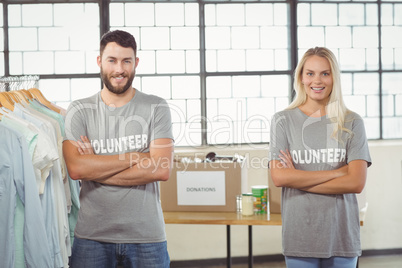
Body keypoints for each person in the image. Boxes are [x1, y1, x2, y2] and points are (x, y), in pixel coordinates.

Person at [63, 30, 174, 268]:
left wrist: (95, 165)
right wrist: (138, 157)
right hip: (92, 237)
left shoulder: (156, 107)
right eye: (112, 60)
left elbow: (161, 170)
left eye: (127, 61)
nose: (119, 69)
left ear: (136, 63)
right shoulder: (79, 110)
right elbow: (76, 169)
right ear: (99, 61)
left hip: (147, 236)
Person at [268, 47, 371, 268]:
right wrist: (338, 172)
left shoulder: (352, 122)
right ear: (301, 78)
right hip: (300, 235)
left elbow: (356, 182)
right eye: (310, 73)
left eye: (325, 73)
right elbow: (279, 178)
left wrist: (298, 178)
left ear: (334, 77)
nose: (318, 80)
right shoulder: (282, 121)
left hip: (342, 236)